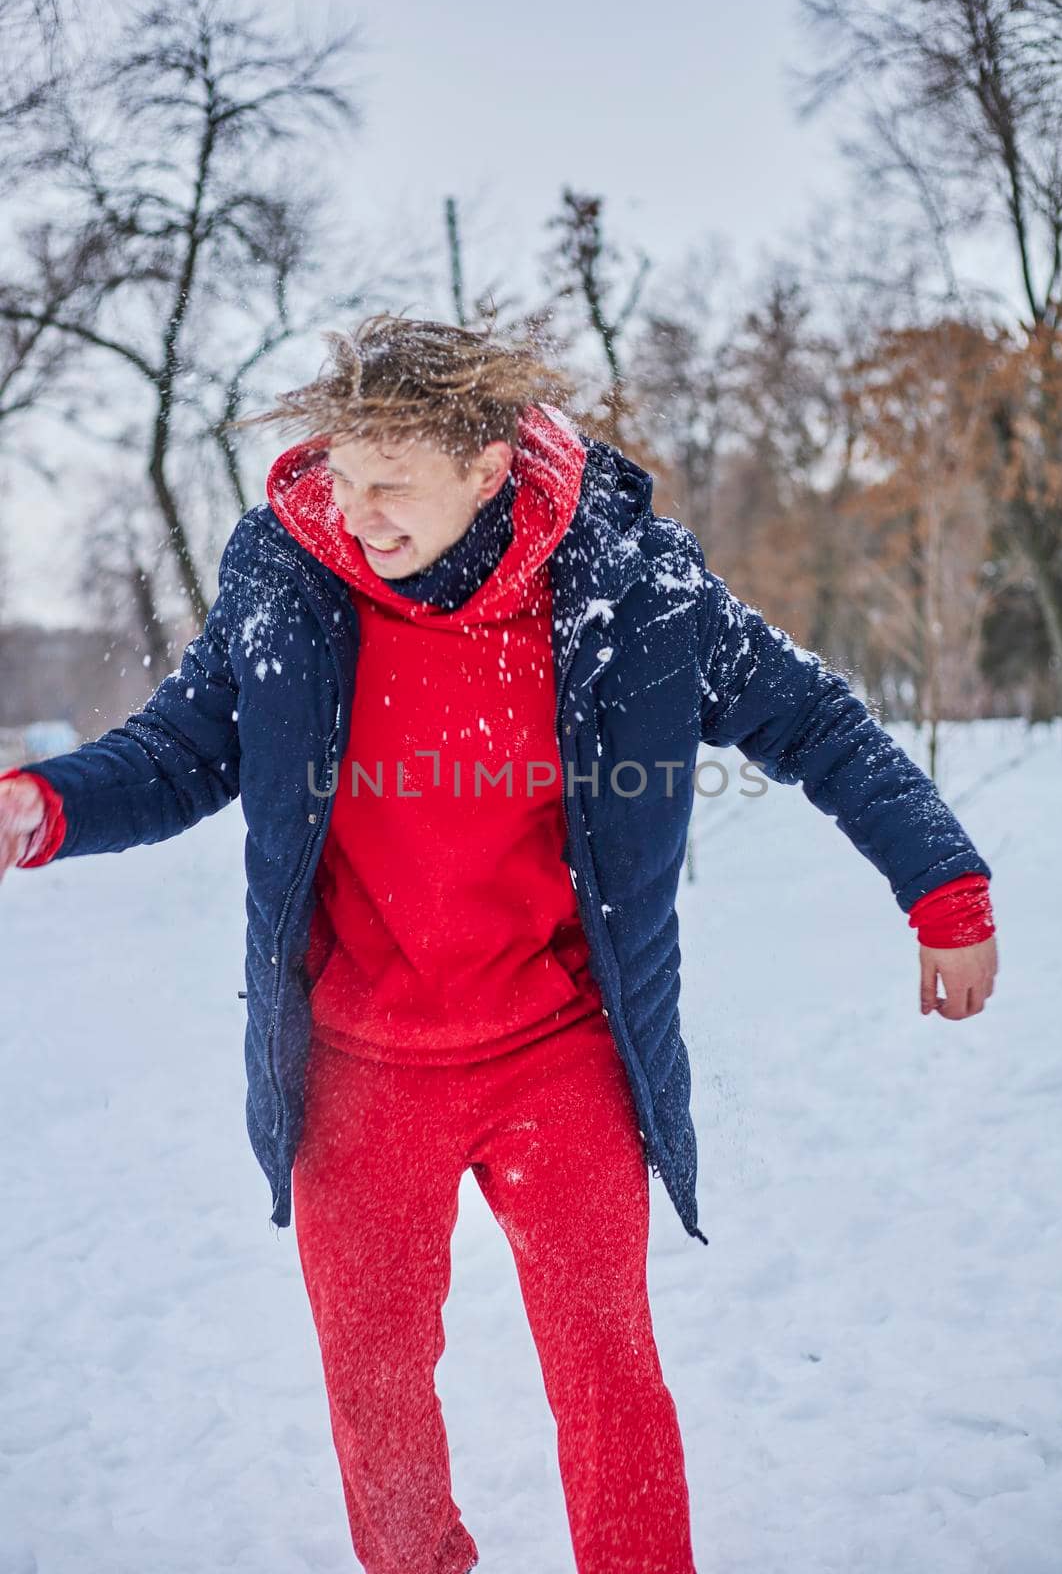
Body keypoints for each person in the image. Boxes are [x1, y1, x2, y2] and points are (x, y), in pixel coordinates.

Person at [0, 313, 998, 1574]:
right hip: (360, 1065)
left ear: (487, 467)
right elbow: (186, 746)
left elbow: (815, 721)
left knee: (604, 1368)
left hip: (557, 1052)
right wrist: (47, 805)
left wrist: (943, 884)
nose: (354, 512)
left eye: (390, 484)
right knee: (374, 1384)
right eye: (341, 476)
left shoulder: (630, 583)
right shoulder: (284, 570)